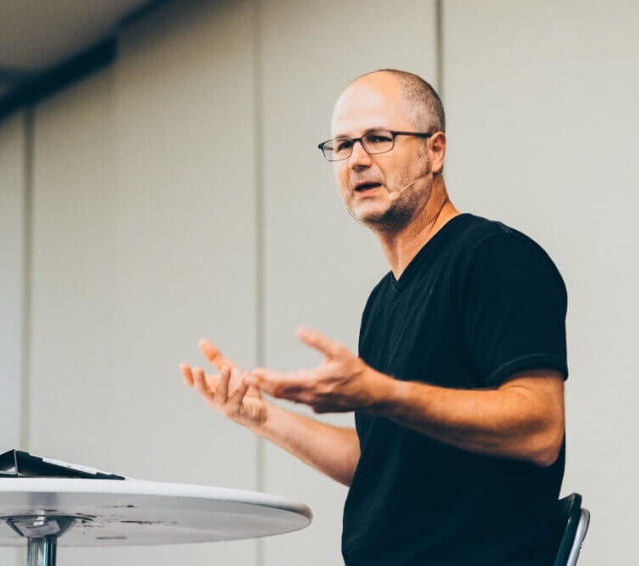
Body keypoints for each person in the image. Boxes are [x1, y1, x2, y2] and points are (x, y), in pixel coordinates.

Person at [180, 69, 568, 566]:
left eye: (378, 139)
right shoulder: (382, 302)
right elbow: (380, 459)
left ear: (435, 151)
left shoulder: (495, 257)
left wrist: (381, 393)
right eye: (341, 145)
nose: (357, 159)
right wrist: (260, 417)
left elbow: (539, 431)